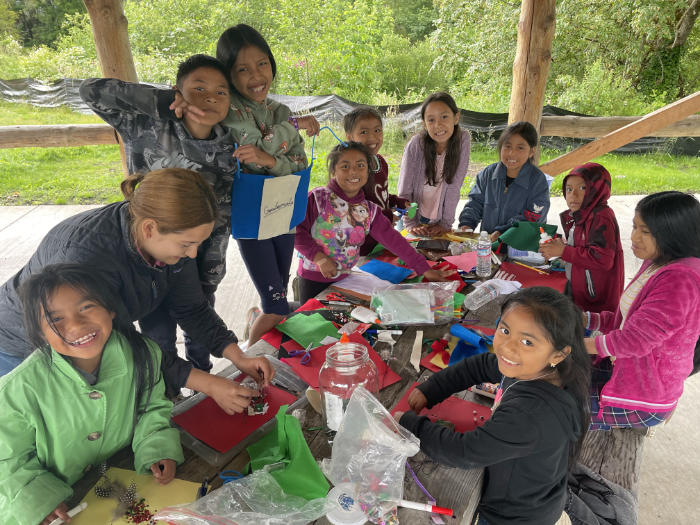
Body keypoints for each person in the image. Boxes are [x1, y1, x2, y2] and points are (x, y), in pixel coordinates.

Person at [0, 169, 273, 415]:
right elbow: (117, 345)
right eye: (187, 244)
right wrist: (207, 383)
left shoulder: (165, 240)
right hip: (22, 345)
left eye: (197, 244)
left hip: (87, 342)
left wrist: (238, 356)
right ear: (149, 228)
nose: (192, 254)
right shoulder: (84, 258)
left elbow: (191, 308)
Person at [80, 54, 236, 371]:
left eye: (221, 91)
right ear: (177, 92)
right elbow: (90, 91)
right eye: (198, 89)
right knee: (157, 336)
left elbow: (222, 218)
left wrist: (211, 273)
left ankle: (202, 379)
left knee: (200, 323)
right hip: (147, 257)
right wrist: (160, 100)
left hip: (195, 255)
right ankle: (164, 394)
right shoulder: (147, 125)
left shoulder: (230, 148)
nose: (210, 98)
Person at [0, 264, 184, 525]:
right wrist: (38, 501)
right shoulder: (16, 391)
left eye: (86, 307)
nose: (76, 324)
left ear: (110, 308)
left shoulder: (143, 355)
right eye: (56, 319)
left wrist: (156, 448)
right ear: (41, 332)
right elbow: (6, 462)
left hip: (116, 482)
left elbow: (151, 407)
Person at [395, 287, 590, 525]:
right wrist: (431, 389)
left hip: (514, 517)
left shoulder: (530, 415)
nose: (508, 347)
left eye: (527, 341)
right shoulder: (532, 369)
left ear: (557, 355)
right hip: (529, 493)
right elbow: (479, 365)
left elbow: (462, 452)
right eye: (505, 330)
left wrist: (408, 424)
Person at [215, 24, 309, 345]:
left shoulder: (279, 110)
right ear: (229, 75)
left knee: (279, 290)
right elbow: (250, 148)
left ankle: (257, 322)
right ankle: (249, 368)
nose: (256, 76)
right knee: (276, 305)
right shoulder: (229, 110)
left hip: (283, 212)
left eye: (262, 64)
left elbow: (298, 162)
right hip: (253, 219)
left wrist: (270, 160)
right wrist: (290, 131)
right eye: (243, 69)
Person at [584, 191, 700, 430]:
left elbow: (635, 340)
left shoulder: (680, 279)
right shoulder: (658, 260)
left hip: (642, 398)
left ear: (673, 234)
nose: (634, 237)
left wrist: (575, 343)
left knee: (554, 410)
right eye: (635, 227)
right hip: (624, 370)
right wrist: (584, 319)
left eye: (645, 231)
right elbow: (627, 320)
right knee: (549, 380)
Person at [295, 142, 451, 303]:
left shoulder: (369, 210)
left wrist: (423, 268)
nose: (353, 171)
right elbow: (295, 231)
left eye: (360, 165)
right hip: (312, 278)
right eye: (345, 166)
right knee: (309, 316)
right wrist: (320, 258)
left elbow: (394, 240)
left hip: (345, 279)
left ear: (368, 171)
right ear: (333, 170)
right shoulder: (318, 199)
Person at [539, 163, 624, 313]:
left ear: (597, 189)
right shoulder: (582, 214)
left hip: (597, 302)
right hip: (583, 293)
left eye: (582, 188)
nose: (573, 195)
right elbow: (581, 246)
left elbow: (603, 259)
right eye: (569, 189)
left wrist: (564, 251)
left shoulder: (601, 217)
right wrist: (560, 250)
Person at [458, 121, 550, 241]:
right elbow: (475, 203)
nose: (512, 153)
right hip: (488, 245)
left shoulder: (537, 182)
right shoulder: (488, 174)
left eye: (520, 148)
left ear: (532, 151)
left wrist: (504, 231)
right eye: (507, 146)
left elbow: (533, 217)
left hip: (520, 246)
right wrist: (467, 224)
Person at [397, 91, 471, 237]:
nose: (438, 125)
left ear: (456, 118)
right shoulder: (416, 144)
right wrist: (411, 223)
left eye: (444, 117)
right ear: (424, 124)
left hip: (438, 221)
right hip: (412, 218)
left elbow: (454, 186)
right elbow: (405, 190)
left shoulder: (463, 140)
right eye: (431, 120)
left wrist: (445, 223)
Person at [343, 106, 408, 254]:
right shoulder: (353, 170)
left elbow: (379, 195)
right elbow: (356, 207)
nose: (372, 137)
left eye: (377, 130)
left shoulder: (380, 162)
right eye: (364, 132)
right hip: (362, 245)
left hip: (380, 239)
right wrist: (387, 216)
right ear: (349, 137)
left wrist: (397, 202)